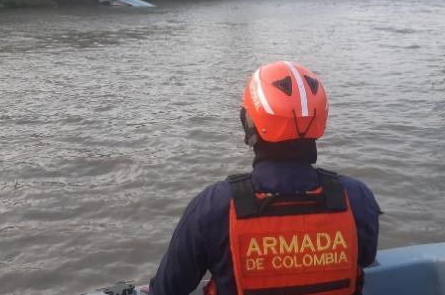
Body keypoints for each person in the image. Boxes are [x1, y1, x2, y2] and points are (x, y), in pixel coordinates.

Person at [151, 61, 381, 295]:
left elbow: (166, 289)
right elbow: (365, 257)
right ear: (320, 121)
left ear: (248, 124)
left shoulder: (213, 207)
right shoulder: (356, 198)